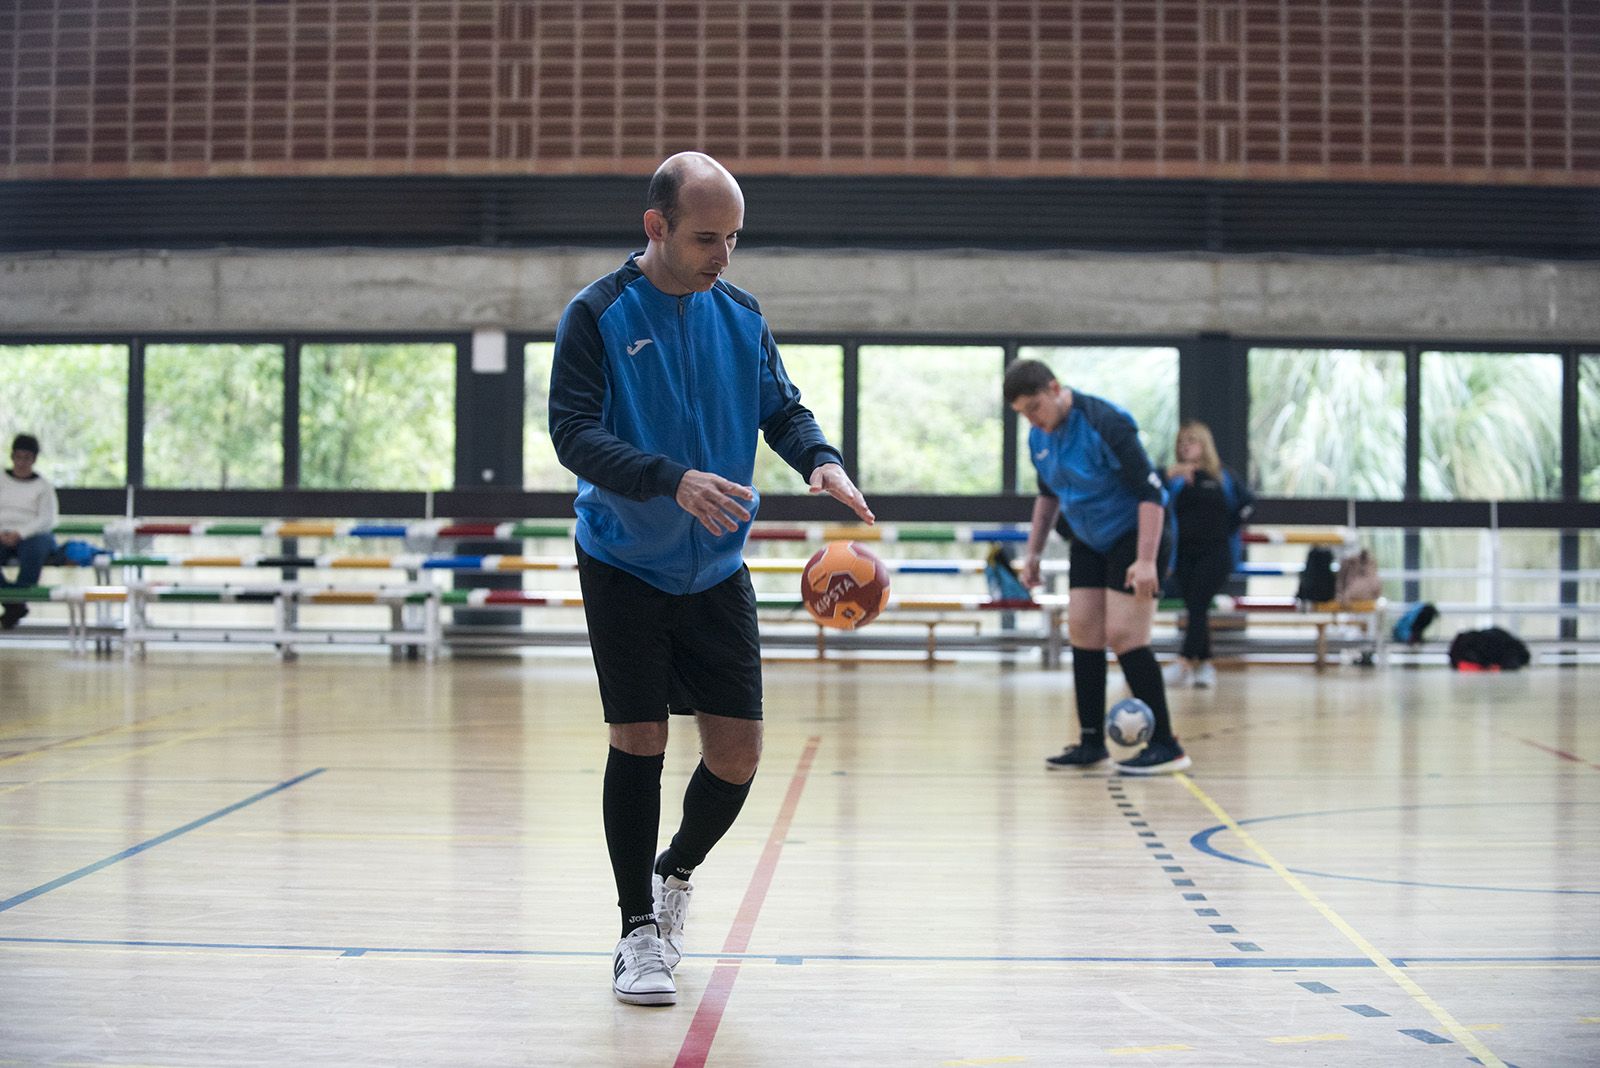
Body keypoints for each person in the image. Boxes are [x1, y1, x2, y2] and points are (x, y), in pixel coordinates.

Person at [548, 152, 874, 1006]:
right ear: (654, 227)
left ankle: (674, 873)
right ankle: (635, 933)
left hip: (716, 567)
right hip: (623, 559)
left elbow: (782, 406)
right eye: (706, 237)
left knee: (736, 756)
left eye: (733, 237)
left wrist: (821, 461)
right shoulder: (597, 314)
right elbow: (573, 436)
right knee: (641, 741)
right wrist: (673, 479)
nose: (723, 254)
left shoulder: (740, 313)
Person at [1005, 360, 1190, 775]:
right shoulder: (1039, 437)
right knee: (1084, 632)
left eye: (1036, 407)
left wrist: (1145, 561)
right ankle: (1091, 742)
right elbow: (1048, 496)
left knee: (1125, 636)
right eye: (1023, 414)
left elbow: (1151, 493)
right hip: (1088, 540)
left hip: (1135, 535)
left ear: (1055, 388)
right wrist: (1033, 553)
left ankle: (1167, 745)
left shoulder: (1105, 423)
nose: (1033, 419)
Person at [1163, 420, 1255, 688]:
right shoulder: (1175, 479)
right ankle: (1204, 664)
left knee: (1199, 604)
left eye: (1190, 442)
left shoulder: (1224, 478)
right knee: (1195, 607)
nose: (1185, 447)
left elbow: (1247, 504)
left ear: (1204, 445)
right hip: (1184, 556)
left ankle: (1182, 662)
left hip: (1215, 554)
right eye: (1181, 443)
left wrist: (1231, 525)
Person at [1, 434, 59, 629]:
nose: (22, 462)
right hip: (2, 532)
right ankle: (13, 603)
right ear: (12, 457)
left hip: (33, 534)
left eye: (27, 458)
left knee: (35, 552)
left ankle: (18, 598)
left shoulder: (43, 486)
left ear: (34, 459)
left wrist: (20, 533)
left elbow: (47, 519)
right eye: (18, 457)